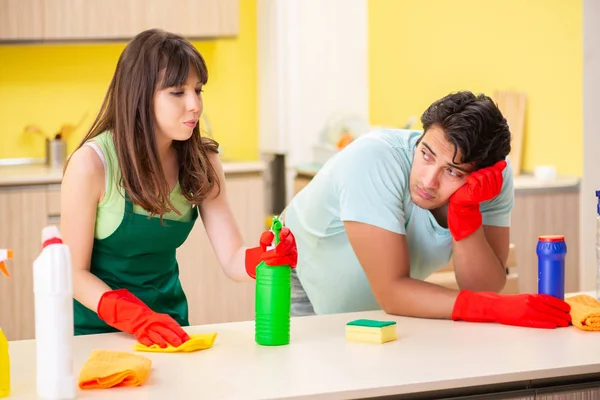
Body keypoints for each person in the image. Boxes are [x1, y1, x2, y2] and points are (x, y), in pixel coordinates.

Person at [60, 29, 297, 348]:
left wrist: (263, 257)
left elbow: (231, 258)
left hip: (170, 329)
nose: (195, 105)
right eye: (177, 92)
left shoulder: (202, 162)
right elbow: (73, 273)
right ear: (139, 94)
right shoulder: (92, 165)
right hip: (94, 335)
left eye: (197, 90)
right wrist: (135, 317)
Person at [283, 91, 572, 329]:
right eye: (426, 154)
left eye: (453, 172)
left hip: (384, 311)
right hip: (301, 281)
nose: (428, 180)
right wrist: (497, 308)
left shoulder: (494, 180)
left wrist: (465, 213)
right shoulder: (373, 159)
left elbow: (483, 287)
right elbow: (393, 291)